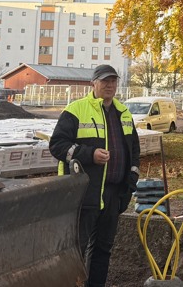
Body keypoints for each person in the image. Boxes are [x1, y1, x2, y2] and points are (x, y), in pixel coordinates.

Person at [49, 64, 140, 287]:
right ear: (93, 83)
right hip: (84, 193)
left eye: (113, 81)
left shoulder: (123, 113)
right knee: (75, 249)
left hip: (113, 194)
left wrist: (130, 184)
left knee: (103, 249)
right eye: (105, 81)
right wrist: (89, 155)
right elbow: (57, 145)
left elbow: (134, 151)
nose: (109, 85)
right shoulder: (76, 110)